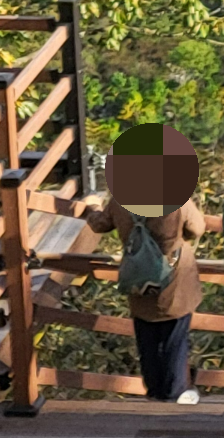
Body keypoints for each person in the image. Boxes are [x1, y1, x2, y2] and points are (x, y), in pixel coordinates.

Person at [86, 123, 205, 405]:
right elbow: (197, 228)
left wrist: (91, 205)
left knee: (147, 340)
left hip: (139, 279)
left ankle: (154, 392)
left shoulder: (121, 199)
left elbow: (99, 223)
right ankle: (174, 395)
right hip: (173, 279)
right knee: (175, 340)